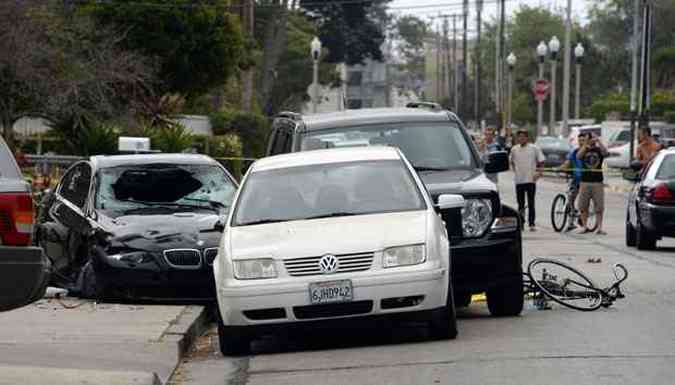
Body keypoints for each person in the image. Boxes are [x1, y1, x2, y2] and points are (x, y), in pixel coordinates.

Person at [509, 130, 545, 231]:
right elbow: (511, 161)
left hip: (530, 179)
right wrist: (515, 170)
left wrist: (539, 173)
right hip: (519, 180)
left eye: (523, 137)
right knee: (520, 203)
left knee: (531, 202)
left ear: (527, 138)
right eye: (519, 137)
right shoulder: (514, 149)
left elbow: (541, 161)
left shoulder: (534, 148)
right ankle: (521, 222)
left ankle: (532, 223)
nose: (521, 139)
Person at [577, 132, 609, 235]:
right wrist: (585, 144)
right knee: (583, 206)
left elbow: (606, 153)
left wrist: (599, 141)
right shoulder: (584, 149)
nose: (591, 140)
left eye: (592, 138)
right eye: (589, 138)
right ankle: (585, 227)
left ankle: (599, 227)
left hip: (597, 182)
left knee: (599, 206)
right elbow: (578, 156)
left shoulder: (599, 150)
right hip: (585, 181)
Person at [558, 133, 587, 231]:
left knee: (582, 201)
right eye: (579, 140)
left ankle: (582, 217)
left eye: (583, 140)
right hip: (575, 178)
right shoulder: (574, 152)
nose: (581, 142)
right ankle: (571, 222)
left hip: (585, 179)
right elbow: (567, 163)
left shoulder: (588, 152)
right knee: (570, 197)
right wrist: (559, 169)